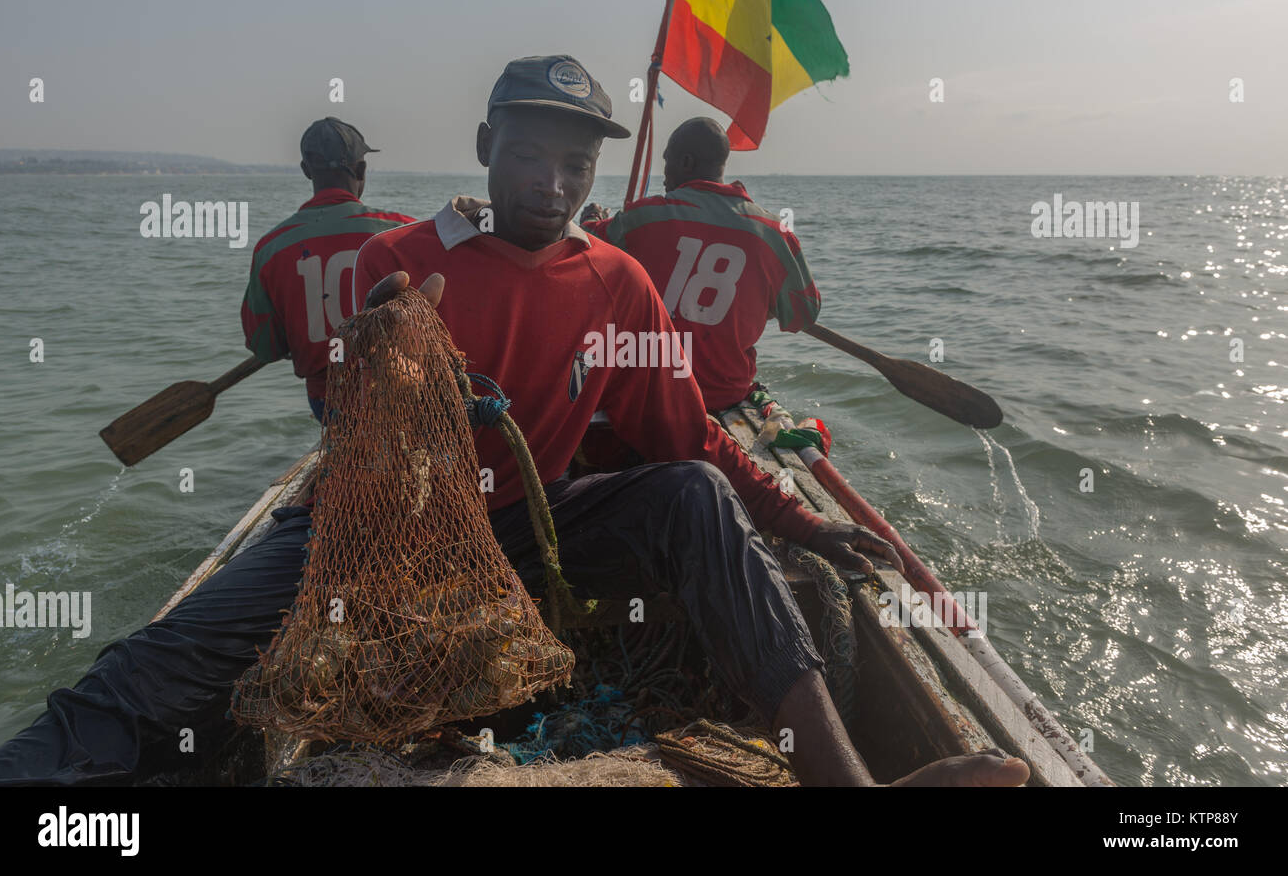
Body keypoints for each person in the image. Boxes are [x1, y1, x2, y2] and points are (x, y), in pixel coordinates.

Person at [352, 55, 1028, 787]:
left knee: (695, 490)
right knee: (205, 639)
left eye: (576, 164)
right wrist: (385, 374)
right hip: (405, 542)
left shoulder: (618, 275)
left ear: (605, 168)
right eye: (524, 156)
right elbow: (360, 452)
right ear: (486, 146)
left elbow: (688, 436)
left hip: (529, 525)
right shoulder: (394, 262)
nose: (552, 186)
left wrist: (803, 524)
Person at [580, 117, 820, 413]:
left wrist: (589, 217)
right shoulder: (774, 234)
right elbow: (803, 316)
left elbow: (586, 246)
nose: (664, 175)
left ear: (686, 162)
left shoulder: (642, 218)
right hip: (724, 394)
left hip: (650, 390)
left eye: (667, 162)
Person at [241, 117, 415, 421]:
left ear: (306, 170)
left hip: (328, 403)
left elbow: (264, 346)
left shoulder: (271, 248)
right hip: (403, 391)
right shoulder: (403, 232)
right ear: (361, 170)